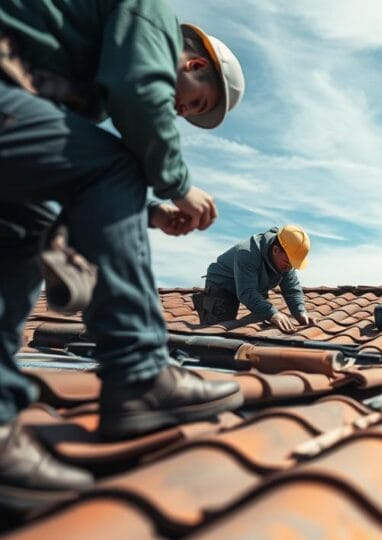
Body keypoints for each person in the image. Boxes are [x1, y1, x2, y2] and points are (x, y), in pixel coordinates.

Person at [0, 1, 247, 509]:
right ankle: (140, 375)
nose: (181, 113)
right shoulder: (148, 12)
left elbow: (60, 176)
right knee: (120, 165)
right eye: (194, 105)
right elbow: (139, 90)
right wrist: (177, 185)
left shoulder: (75, 75)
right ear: (195, 65)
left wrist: (149, 213)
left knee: (26, 221)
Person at [195, 225, 318, 333]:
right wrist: (272, 313)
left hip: (251, 285)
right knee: (217, 333)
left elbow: (292, 290)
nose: (289, 267)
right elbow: (246, 292)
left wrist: (300, 313)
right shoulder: (247, 253)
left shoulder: (286, 262)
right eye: (287, 262)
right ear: (275, 250)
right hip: (222, 286)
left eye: (292, 264)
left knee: (260, 322)